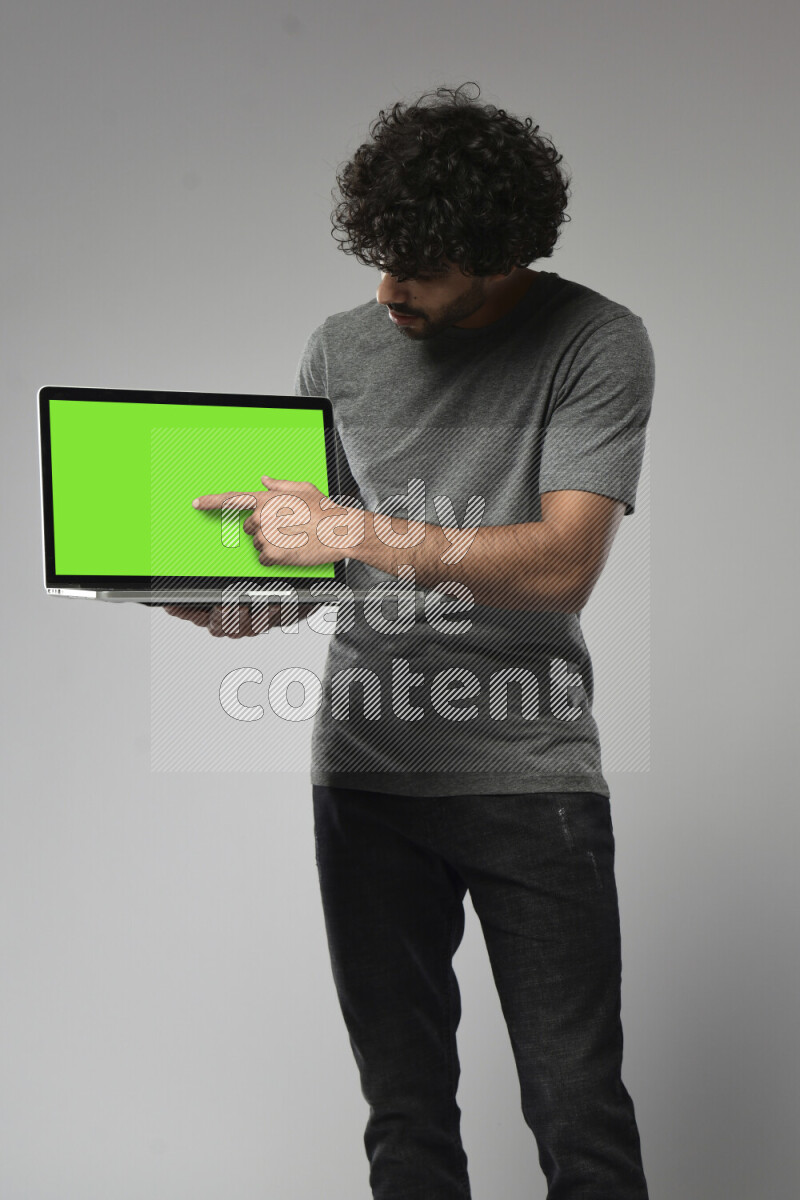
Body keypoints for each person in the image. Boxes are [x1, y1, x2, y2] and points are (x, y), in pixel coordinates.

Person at [167, 81, 654, 1200]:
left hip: (530, 780)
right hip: (369, 773)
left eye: (417, 268)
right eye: (376, 258)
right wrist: (235, 602)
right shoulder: (341, 349)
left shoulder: (594, 342)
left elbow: (562, 563)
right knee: (404, 1121)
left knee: (578, 1114)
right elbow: (331, 568)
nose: (385, 291)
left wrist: (351, 527)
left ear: (499, 259)